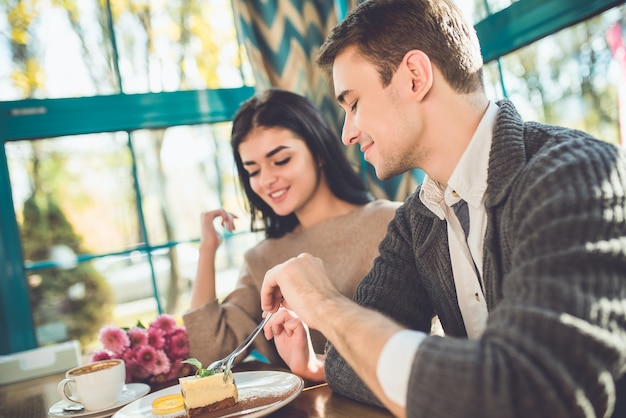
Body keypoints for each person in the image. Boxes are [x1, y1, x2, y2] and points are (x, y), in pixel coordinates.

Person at [259, 0, 626, 417]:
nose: (347, 133)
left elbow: (529, 394)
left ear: (415, 77)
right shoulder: (417, 220)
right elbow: (348, 366)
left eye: (354, 103)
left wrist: (325, 305)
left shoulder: (576, 175)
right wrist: (322, 361)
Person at [182, 88, 400, 375]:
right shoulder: (262, 259)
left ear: (318, 152)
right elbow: (208, 355)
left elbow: (411, 347)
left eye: (281, 160)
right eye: (253, 170)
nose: (267, 180)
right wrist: (206, 251)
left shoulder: (391, 221)